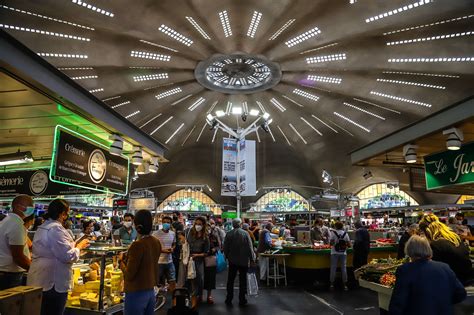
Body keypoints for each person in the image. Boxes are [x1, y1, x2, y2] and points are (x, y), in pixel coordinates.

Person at [27, 199, 89, 315]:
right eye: (67, 212)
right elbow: (66, 256)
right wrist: (79, 247)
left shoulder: (44, 226)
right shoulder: (55, 228)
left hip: (41, 279)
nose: (67, 216)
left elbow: (57, 248)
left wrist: (74, 245)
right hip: (53, 282)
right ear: (62, 214)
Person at [389, 235, 466, 315]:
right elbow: (461, 293)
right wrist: (443, 304)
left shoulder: (405, 270)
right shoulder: (445, 267)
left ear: (409, 251)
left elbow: (398, 302)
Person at [119, 210, 161, 315]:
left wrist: (120, 261)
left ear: (137, 225)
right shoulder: (156, 242)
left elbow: (129, 274)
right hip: (151, 290)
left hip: (136, 291)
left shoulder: (137, 245)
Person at [420, 214, 472, 284]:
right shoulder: (455, 238)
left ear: (427, 231)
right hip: (466, 276)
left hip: (453, 281)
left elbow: (433, 268)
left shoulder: (436, 244)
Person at [0, 195, 34, 290]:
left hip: (5, 273)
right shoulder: (16, 225)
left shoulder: (6, 221)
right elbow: (18, 257)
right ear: (18, 207)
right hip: (9, 276)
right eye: (30, 206)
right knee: (9, 303)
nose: (32, 208)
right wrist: (33, 269)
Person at [224, 218, 256, 307]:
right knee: (243, 280)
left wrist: (226, 256)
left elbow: (225, 247)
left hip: (232, 261)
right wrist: (252, 259)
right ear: (240, 224)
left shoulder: (229, 234)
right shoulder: (245, 234)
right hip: (243, 261)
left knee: (230, 280)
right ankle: (242, 299)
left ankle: (229, 298)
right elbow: (250, 247)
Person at [187, 217, 210, 309]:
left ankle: (198, 296)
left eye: (200, 224)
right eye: (196, 224)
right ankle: (192, 297)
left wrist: (197, 255)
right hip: (189, 260)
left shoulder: (205, 237)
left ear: (203, 225)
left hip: (199, 260)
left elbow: (206, 252)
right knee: (190, 279)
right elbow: (186, 245)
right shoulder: (190, 234)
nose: (197, 226)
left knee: (199, 279)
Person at [152, 216, 176, 295]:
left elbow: (174, 244)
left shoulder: (172, 233)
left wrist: (172, 248)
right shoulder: (155, 234)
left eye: (168, 222)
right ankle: (155, 299)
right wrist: (163, 251)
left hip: (169, 261)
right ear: (162, 223)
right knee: (156, 281)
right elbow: (153, 247)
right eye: (164, 222)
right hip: (159, 262)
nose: (166, 224)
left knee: (172, 280)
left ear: (171, 224)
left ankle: (174, 300)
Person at [329, 221, 351, 290]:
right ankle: (345, 285)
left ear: (335, 226)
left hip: (334, 253)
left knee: (333, 268)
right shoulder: (345, 234)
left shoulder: (333, 233)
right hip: (343, 253)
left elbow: (331, 244)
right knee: (343, 268)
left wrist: (335, 242)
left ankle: (332, 284)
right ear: (342, 226)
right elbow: (349, 245)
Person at [204, 219, 221, 304]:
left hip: (210, 259)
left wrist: (215, 249)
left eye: (210, 225)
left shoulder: (213, 236)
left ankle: (209, 295)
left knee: (210, 278)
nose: (208, 228)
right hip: (200, 259)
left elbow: (218, 246)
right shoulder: (199, 236)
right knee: (200, 278)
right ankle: (198, 295)